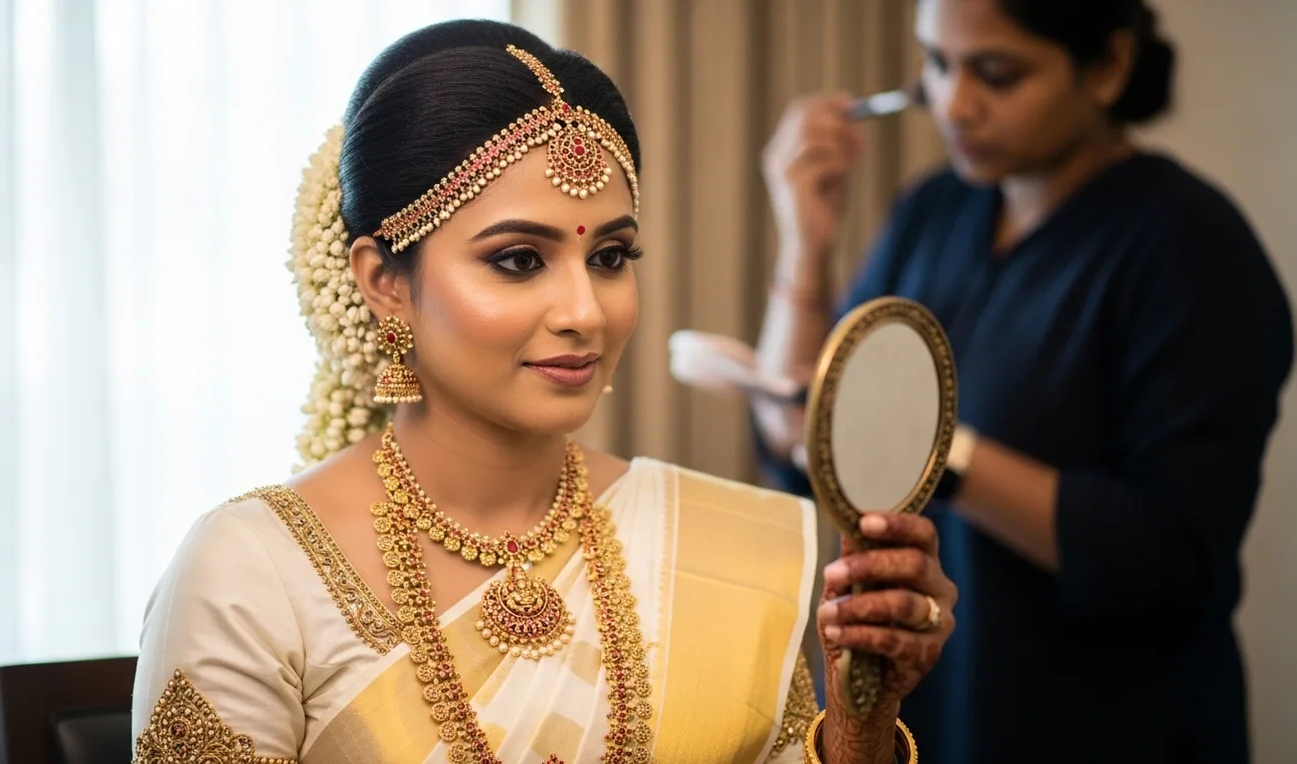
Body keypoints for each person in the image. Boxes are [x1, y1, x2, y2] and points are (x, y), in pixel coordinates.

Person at [130, 19, 957, 764]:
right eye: (519, 259)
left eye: (610, 258)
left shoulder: (723, 548)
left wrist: (861, 719)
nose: (585, 311)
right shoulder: (250, 573)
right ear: (385, 281)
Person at [754, 1, 1294, 763]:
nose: (953, 103)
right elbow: (806, 442)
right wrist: (805, 241)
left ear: (1106, 67)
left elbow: (1171, 556)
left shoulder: (1193, 251)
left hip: (1104, 723)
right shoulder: (934, 210)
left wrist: (935, 450)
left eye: (996, 74)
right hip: (935, 712)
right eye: (936, 64)